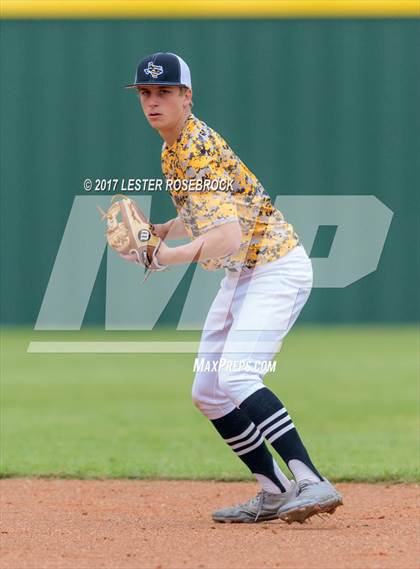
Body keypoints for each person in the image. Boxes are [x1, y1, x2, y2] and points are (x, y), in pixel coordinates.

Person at [124, 52, 342, 524]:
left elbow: (226, 236)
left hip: (275, 267)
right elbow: (208, 213)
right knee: (208, 390)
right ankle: (274, 490)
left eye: (164, 91)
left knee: (239, 375)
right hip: (243, 273)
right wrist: (162, 230)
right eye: (145, 92)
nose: (153, 101)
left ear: (187, 96)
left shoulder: (196, 146)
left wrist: (168, 258)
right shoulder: (173, 148)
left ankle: (311, 479)